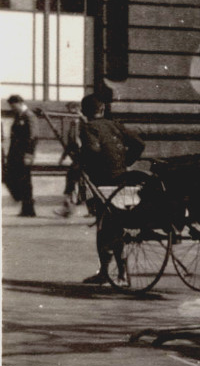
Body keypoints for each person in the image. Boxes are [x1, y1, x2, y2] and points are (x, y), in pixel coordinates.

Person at [77, 93, 147, 284]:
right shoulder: (115, 124)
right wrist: (126, 162)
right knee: (118, 224)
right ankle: (122, 274)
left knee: (104, 227)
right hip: (123, 179)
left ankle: (105, 273)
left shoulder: (88, 127)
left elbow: (93, 150)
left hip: (103, 182)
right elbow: (139, 143)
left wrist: (81, 160)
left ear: (85, 111)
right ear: (103, 109)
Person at [3, 94, 38, 217]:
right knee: (8, 177)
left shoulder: (29, 116)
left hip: (24, 154)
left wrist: (29, 154)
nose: (12, 108)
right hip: (15, 154)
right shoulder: (18, 116)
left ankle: (28, 208)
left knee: (25, 181)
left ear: (20, 103)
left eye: (13, 106)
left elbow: (33, 137)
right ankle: (23, 201)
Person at [55, 99, 84, 217]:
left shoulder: (83, 122)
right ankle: (69, 207)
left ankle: (69, 208)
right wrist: (63, 157)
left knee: (76, 180)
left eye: (72, 112)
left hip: (84, 157)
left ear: (77, 110)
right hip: (77, 157)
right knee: (74, 180)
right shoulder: (74, 124)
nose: (70, 115)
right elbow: (70, 143)